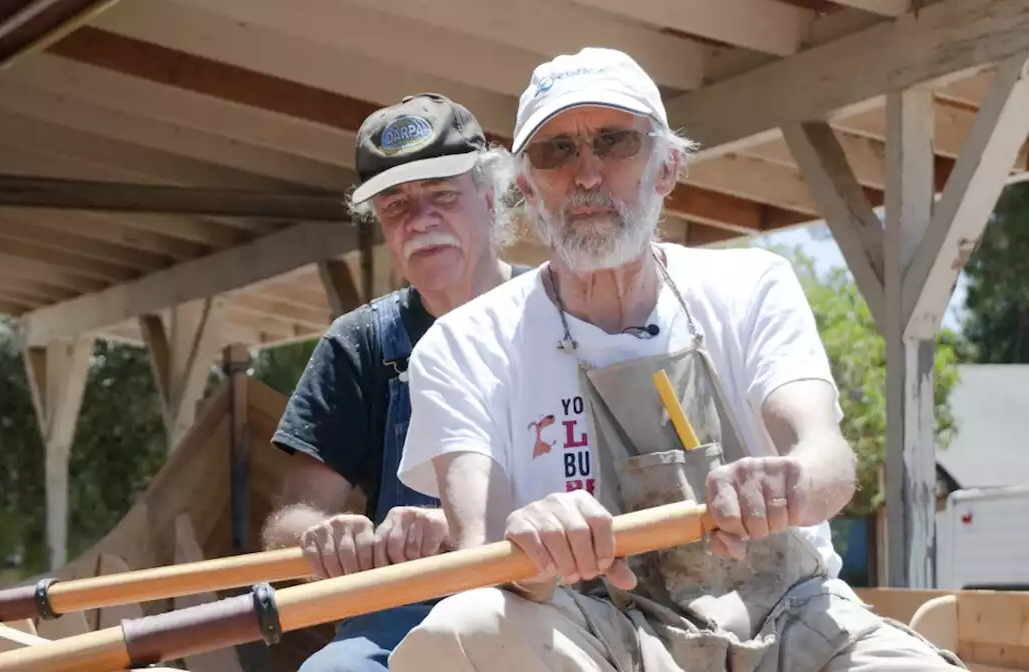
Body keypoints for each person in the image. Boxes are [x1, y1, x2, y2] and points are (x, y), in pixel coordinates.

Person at [387, 48, 967, 672]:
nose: (586, 176)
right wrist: (530, 543)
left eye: (614, 143)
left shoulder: (752, 285)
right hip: (601, 636)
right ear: (526, 188)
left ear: (666, 169)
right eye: (556, 152)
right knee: (459, 630)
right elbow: (480, 552)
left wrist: (791, 481)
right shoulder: (462, 345)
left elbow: (827, 457)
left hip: (792, 623)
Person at [262, 92, 530, 672]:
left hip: (547, 589)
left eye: (442, 195)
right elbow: (288, 524)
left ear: (489, 197)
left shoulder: (561, 315)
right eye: (396, 203)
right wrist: (327, 534)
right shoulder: (362, 343)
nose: (421, 219)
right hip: (405, 613)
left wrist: (463, 531)